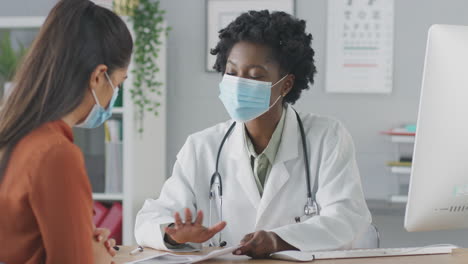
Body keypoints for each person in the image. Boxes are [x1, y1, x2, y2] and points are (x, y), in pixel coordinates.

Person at [135, 10, 371, 258]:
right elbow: (149, 219)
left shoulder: (327, 137)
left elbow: (347, 219)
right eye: (232, 72)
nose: (239, 84)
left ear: (286, 84)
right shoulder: (202, 147)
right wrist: (173, 233)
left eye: (255, 75)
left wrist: (279, 239)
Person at [0, 0, 133, 263]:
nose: (113, 96)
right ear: (98, 76)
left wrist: (77, 235)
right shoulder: (57, 155)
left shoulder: (14, 135)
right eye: (118, 84)